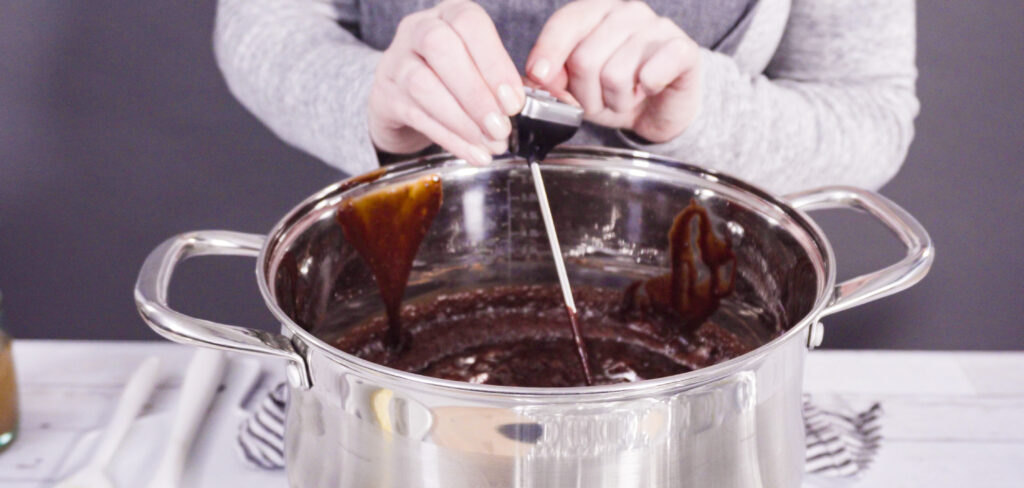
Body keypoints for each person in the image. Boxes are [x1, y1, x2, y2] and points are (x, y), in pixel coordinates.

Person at [213, 0, 918, 194]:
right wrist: (374, 98)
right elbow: (263, 24)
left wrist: (696, 113)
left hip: (705, 301)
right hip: (397, 280)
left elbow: (869, 110)